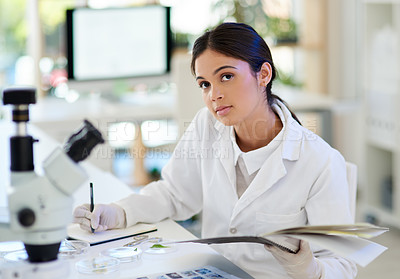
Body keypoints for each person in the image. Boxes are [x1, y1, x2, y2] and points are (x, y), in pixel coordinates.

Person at [73, 22, 357, 278]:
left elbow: (343, 265)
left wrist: (309, 270)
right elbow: (175, 194)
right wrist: (119, 212)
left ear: (263, 74)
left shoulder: (319, 161)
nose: (214, 95)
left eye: (226, 77)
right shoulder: (207, 125)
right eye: (204, 84)